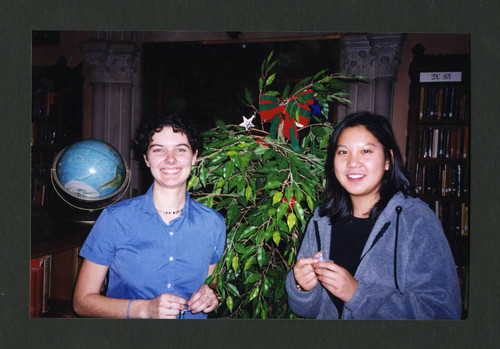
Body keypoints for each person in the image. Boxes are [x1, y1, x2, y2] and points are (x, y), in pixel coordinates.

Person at [285, 111, 462, 319]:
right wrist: (302, 287)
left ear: (388, 160)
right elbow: (307, 310)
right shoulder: (322, 220)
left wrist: (357, 294)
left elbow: (443, 313)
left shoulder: (416, 220)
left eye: (366, 151)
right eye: (343, 152)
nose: (352, 162)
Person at [73, 114, 226, 319]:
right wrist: (145, 309)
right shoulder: (115, 219)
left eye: (180, 149)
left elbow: (212, 281)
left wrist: (211, 293)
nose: (170, 159)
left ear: (194, 156)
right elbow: (82, 302)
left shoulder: (213, 223)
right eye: (158, 150)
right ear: (146, 158)